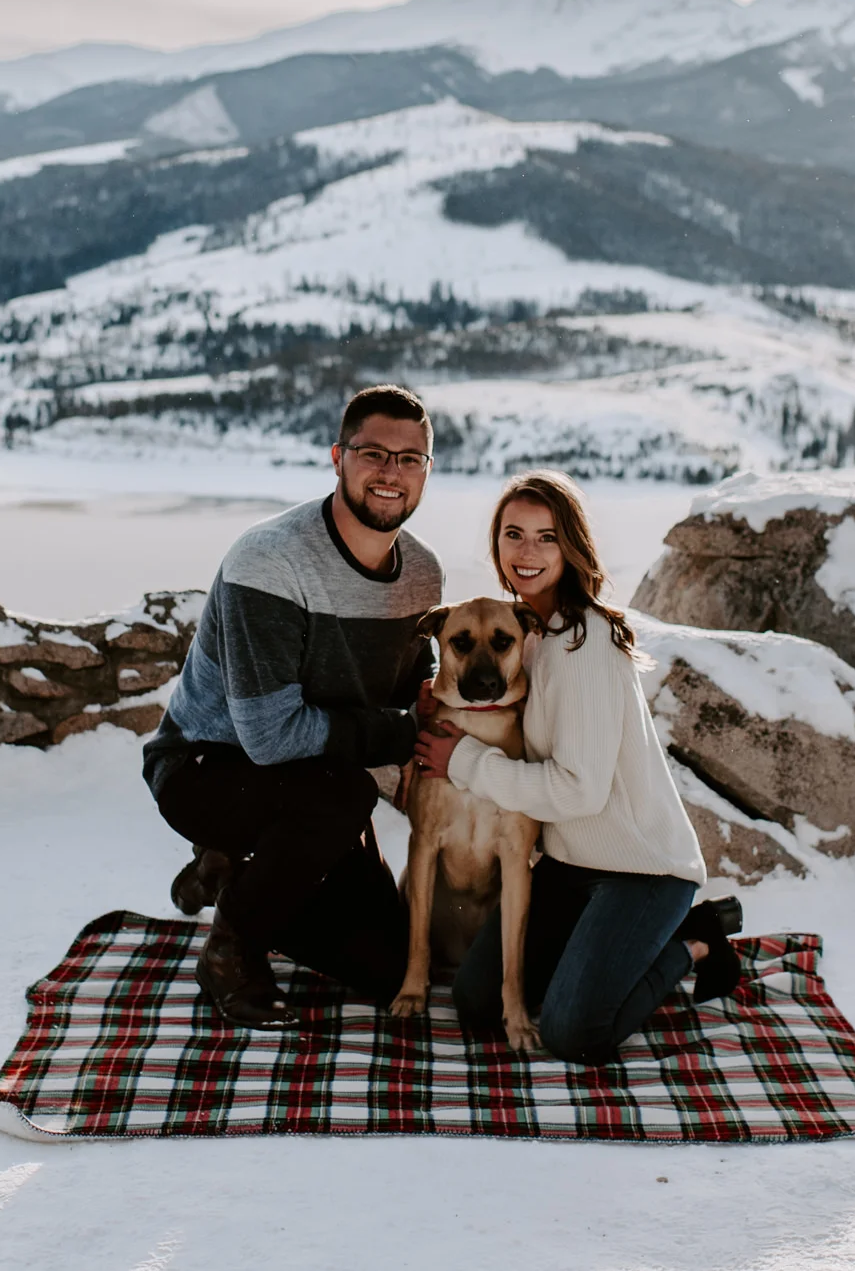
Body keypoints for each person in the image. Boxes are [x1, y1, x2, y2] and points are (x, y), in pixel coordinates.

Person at [412, 470, 742, 1066]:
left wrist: (460, 758)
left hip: (641, 872)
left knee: (573, 1031)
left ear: (571, 546)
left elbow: (581, 792)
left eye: (546, 537)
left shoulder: (582, 643)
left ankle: (694, 940)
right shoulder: (526, 629)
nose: (528, 552)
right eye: (515, 534)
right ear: (497, 544)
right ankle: (602, 955)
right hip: (570, 867)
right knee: (476, 1001)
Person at [143, 385, 443, 1027]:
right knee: (338, 799)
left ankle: (235, 873)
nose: (392, 473)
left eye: (410, 459)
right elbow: (271, 739)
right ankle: (230, 948)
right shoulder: (271, 561)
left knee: (387, 969)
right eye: (373, 453)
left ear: (427, 472)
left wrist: (423, 740)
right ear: (338, 457)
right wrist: (398, 740)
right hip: (208, 767)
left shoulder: (421, 576)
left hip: (323, 782)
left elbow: (408, 693)